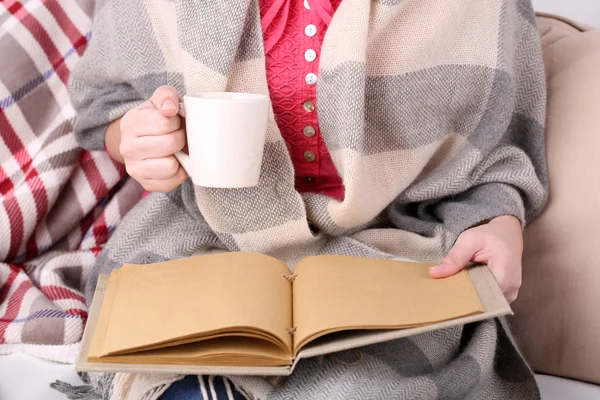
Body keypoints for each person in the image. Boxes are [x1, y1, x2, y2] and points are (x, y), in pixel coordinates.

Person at [67, 0, 548, 398]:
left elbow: (496, 148)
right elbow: (103, 106)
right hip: (203, 232)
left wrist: (498, 221)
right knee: (169, 369)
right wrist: (135, 136)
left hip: (394, 248)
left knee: (362, 388)